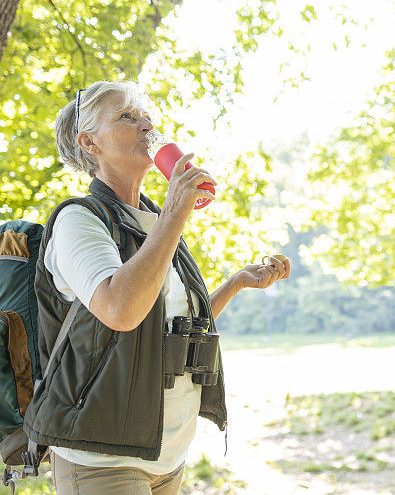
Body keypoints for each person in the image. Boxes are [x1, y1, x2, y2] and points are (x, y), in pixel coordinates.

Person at [22, 80, 290, 494]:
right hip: (104, 458)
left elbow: (167, 328)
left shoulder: (153, 221)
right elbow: (122, 311)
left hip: (166, 455)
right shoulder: (79, 220)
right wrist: (175, 211)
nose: (146, 126)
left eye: (147, 116)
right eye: (127, 117)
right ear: (89, 143)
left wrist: (235, 283)